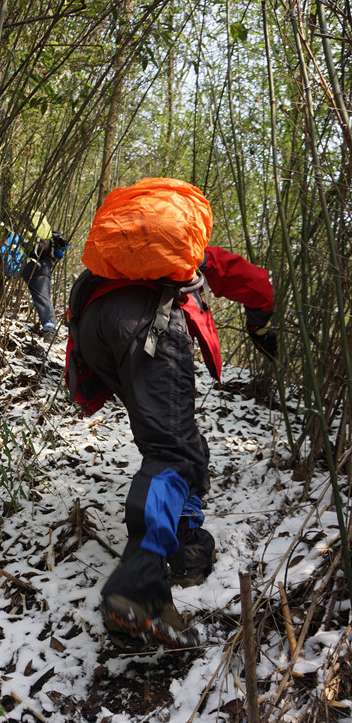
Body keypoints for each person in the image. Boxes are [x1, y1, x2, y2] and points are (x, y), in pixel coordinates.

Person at [65, 178, 276, 649]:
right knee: (173, 454)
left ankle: (182, 551)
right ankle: (137, 587)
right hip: (151, 325)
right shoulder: (189, 251)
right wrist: (263, 324)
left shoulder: (118, 254)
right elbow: (257, 283)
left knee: (179, 443)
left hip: (96, 331)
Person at [0, 212, 67, 337]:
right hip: (43, 263)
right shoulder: (43, 232)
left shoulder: (17, 227)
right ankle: (49, 329)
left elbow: (6, 248)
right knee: (43, 296)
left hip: (24, 262)